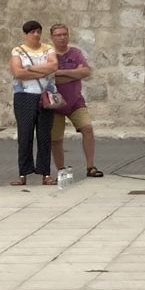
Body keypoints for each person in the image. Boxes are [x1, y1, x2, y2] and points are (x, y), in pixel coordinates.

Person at [48, 23, 102, 179]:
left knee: (88, 129)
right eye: (58, 35)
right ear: (52, 37)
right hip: (55, 102)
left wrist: (61, 73)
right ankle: (61, 169)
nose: (62, 37)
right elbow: (49, 76)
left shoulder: (76, 53)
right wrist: (74, 73)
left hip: (75, 101)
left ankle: (90, 166)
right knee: (56, 138)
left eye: (65, 34)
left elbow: (85, 71)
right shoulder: (49, 55)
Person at [9, 20, 59, 186]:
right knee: (25, 135)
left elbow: (54, 66)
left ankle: (45, 173)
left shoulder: (48, 49)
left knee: (45, 135)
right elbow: (17, 72)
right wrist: (41, 71)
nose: (36, 35)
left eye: (38, 31)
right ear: (26, 34)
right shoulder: (18, 50)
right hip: (24, 96)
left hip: (45, 95)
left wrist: (30, 69)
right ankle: (23, 173)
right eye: (32, 32)